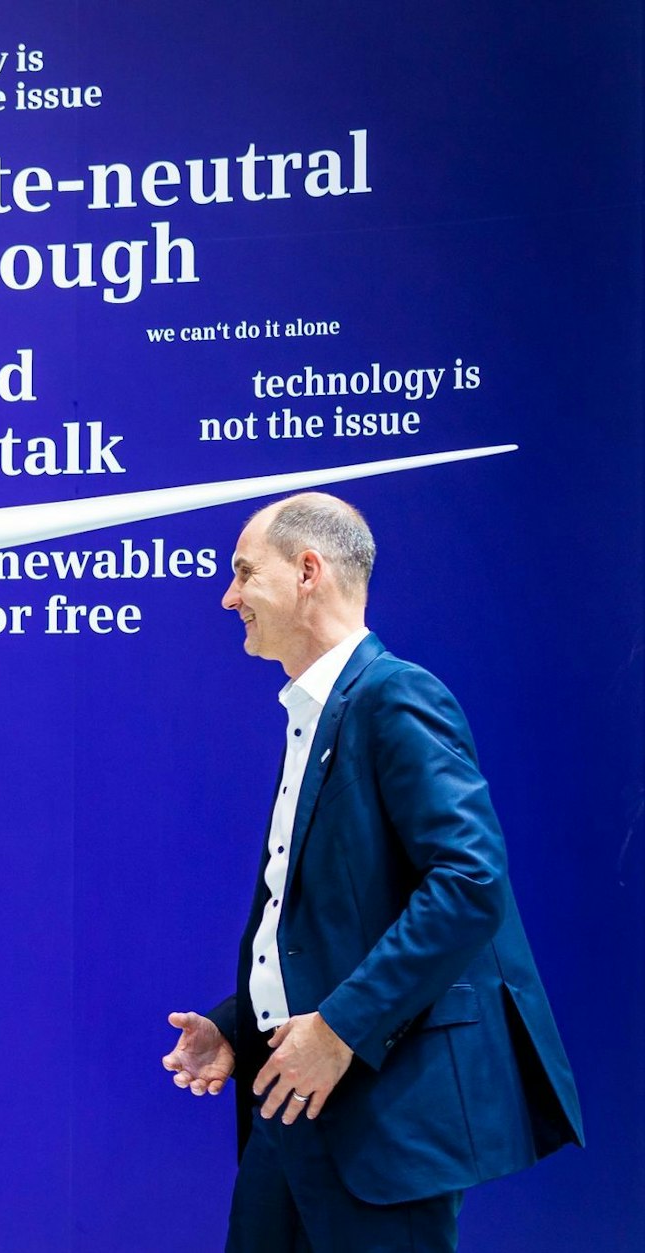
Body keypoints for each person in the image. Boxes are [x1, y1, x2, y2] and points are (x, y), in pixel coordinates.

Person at [162, 492, 582, 1251]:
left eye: (244, 572)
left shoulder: (394, 696)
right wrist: (239, 1025)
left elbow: (469, 882)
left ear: (307, 572)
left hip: (379, 1118)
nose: (228, 597)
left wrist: (339, 1030)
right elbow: (330, 921)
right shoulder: (314, 715)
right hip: (288, 1103)